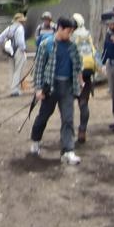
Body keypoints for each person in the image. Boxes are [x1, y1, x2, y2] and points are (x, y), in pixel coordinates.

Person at [29, 17, 82, 165]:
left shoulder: (72, 46)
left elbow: (77, 66)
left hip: (68, 87)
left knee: (68, 118)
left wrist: (80, 82)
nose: (69, 34)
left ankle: (68, 151)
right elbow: (39, 68)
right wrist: (38, 89)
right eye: (68, 31)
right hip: (50, 87)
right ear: (59, 28)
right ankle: (35, 140)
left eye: (71, 32)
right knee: (44, 116)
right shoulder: (47, 44)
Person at [71, 13, 97, 146]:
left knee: (68, 104)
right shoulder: (87, 34)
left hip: (75, 72)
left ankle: (69, 133)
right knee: (83, 103)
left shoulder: (73, 36)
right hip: (88, 71)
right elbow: (93, 51)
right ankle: (82, 131)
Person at [0, 13, 28, 97]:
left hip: (10, 51)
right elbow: (21, 42)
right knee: (18, 70)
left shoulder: (9, 28)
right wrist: (24, 49)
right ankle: (15, 90)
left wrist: (4, 47)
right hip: (18, 50)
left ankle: (13, 89)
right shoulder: (20, 28)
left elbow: (0, 38)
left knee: (12, 70)